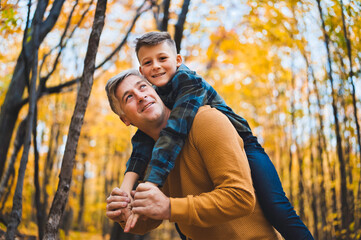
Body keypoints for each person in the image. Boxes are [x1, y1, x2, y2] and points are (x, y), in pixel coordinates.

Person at [111, 32, 313, 239]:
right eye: (148, 62)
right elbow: (140, 147)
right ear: (142, 70)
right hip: (183, 141)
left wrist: (153, 187)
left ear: (178, 60)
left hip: (244, 141)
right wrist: (126, 196)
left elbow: (175, 130)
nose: (156, 66)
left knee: (277, 206)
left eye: (162, 58)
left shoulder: (190, 84)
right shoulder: (155, 109)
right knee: (184, 226)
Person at [105, 70, 283, 239]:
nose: (141, 96)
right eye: (129, 97)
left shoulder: (206, 121)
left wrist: (170, 207)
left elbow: (240, 198)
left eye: (143, 87)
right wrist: (125, 213)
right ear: (125, 119)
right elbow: (148, 220)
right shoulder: (150, 156)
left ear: (155, 91)